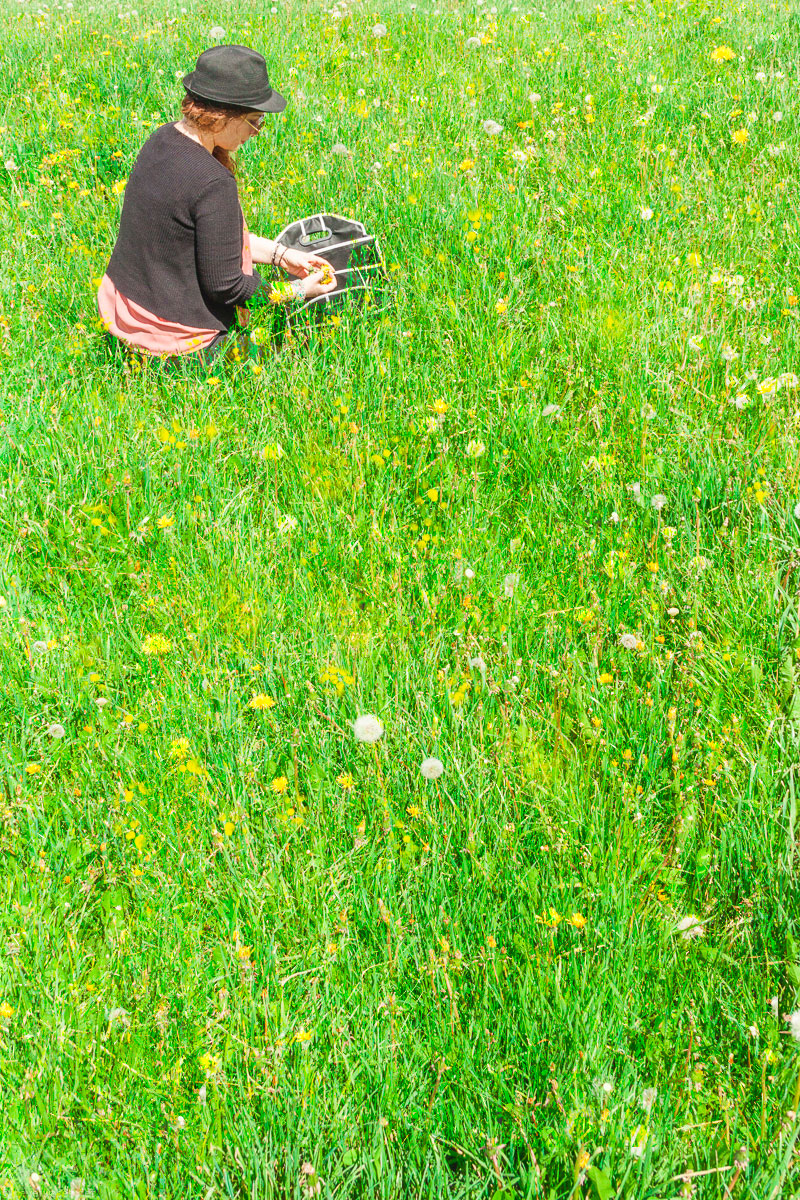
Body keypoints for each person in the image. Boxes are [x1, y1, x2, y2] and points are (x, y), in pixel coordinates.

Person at [97, 44, 336, 368]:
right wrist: (299, 290)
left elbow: (206, 243)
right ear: (223, 115)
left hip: (123, 314)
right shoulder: (212, 182)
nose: (256, 132)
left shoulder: (162, 140)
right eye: (255, 121)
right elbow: (227, 287)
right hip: (171, 343)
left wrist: (283, 255)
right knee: (302, 349)